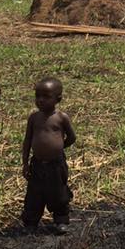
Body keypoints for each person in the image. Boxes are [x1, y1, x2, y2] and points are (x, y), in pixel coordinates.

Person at [21, 77, 76, 234]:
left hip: (56, 164)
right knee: (34, 193)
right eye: (37, 96)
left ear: (58, 99)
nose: (40, 100)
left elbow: (72, 137)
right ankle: (31, 222)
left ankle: (61, 220)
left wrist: (59, 148)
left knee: (58, 192)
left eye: (46, 97)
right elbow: (27, 140)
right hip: (37, 163)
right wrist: (25, 163)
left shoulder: (61, 118)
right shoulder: (34, 118)